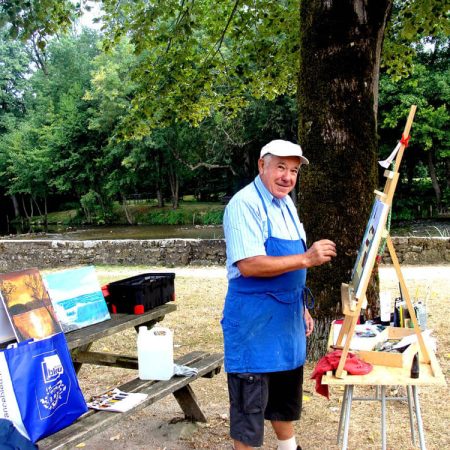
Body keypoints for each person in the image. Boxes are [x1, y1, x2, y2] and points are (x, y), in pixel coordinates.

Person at [221, 139, 337, 450]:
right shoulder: (244, 205)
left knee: (283, 400)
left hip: (285, 322)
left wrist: (300, 305)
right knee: (249, 411)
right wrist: (307, 259)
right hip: (253, 326)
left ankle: (289, 448)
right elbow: (249, 264)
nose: (287, 177)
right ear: (262, 165)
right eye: (281, 168)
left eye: (294, 171)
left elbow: (288, 266)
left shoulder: (286, 202)